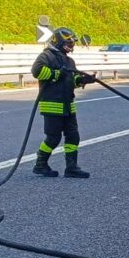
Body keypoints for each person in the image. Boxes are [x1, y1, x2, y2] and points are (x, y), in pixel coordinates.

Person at [31, 27, 96, 178]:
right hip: (52, 105)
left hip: (68, 105)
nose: (71, 46)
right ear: (58, 41)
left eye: (73, 43)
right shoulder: (47, 56)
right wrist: (56, 74)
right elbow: (36, 71)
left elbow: (72, 80)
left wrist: (84, 79)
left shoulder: (69, 60)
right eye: (69, 43)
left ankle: (71, 168)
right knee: (53, 138)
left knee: (73, 136)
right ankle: (40, 164)